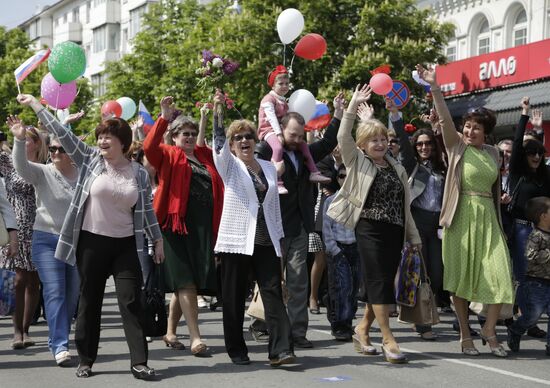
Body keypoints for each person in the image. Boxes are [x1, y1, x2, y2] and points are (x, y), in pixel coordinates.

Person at [17, 93, 164, 380]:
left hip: (125, 246)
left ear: (122, 141)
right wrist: (36, 104)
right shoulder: (89, 159)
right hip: (92, 243)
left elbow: (147, 210)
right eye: (99, 137)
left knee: (131, 301)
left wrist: (156, 240)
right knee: (90, 302)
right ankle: (86, 359)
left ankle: (139, 362)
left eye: (108, 136)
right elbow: (60, 132)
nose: (101, 141)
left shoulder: (139, 173)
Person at [416, 64, 514, 357]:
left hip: (488, 219)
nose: (470, 131)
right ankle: (464, 335)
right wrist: (435, 87)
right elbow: (445, 121)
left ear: (487, 132)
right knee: (460, 280)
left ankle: (488, 329)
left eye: (476, 128)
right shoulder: (456, 146)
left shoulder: (495, 153)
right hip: (460, 219)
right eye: (468, 126)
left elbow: (497, 187)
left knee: (501, 275)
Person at [326, 84, 421, 364]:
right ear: (363, 145)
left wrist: (413, 237)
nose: (380, 144)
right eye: (373, 140)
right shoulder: (357, 161)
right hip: (368, 228)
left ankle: (362, 328)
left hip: (395, 231)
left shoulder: (397, 168)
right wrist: (353, 106)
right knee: (378, 281)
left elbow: (406, 207)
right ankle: (388, 338)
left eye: (383, 139)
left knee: (379, 285)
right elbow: (344, 135)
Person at [211, 94, 295, 366]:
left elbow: (273, 208)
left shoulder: (269, 168)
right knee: (234, 298)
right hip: (236, 241)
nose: (244, 140)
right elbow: (218, 144)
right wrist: (218, 112)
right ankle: (237, 350)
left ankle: (281, 349)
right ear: (233, 145)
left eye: (248, 136)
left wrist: (279, 238)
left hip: (266, 241)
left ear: (255, 141)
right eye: (239, 138)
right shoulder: (230, 166)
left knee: (272, 294)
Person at [256, 94, 342, 348]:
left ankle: (297, 332)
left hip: (298, 227)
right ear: (281, 130)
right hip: (272, 227)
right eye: (291, 135)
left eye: (299, 135)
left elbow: (327, 142)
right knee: (271, 282)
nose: (296, 139)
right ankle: (265, 325)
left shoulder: (306, 155)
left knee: (298, 281)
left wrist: (337, 113)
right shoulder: (265, 150)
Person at [143, 96, 224, 356]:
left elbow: (218, 145)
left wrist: (216, 110)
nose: (189, 137)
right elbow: (149, 146)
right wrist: (164, 117)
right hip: (174, 227)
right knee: (186, 282)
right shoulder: (168, 155)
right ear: (175, 137)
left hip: (202, 229)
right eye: (183, 134)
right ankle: (196, 337)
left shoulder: (205, 156)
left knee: (186, 283)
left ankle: (170, 331)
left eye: (191, 133)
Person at [9, 114, 80, 366]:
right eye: (52, 149)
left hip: (75, 242)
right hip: (46, 239)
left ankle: (62, 333)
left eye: (61, 149)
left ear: (72, 150)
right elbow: (21, 167)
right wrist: (19, 140)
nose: (56, 153)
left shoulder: (84, 175)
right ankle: (59, 344)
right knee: (55, 290)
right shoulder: (42, 172)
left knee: (72, 295)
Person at [388, 99, 446, 341]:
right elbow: (402, 139)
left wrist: (438, 130)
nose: (424, 147)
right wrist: (395, 115)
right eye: (420, 144)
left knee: (438, 273)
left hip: (438, 225)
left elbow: (447, 147)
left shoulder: (442, 167)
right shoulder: (412, 165)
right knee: (419, 272)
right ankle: (422, 323)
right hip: (417, 222)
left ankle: (424, 313)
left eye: (428, 144)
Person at [0, 122, 47, 350]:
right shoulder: (8, 163)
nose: (22, 140)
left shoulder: (45, 166)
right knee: (18, 280)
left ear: (37, 144)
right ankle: (16, 330)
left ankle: (26, 330)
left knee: (33, 281)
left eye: (27, 138)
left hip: (38, 226)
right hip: (14, 227)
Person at [506, 98, 550, 339]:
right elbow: (517, 142)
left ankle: (526, 319)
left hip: (543, 232)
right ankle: (524, 321)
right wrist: (524, 113)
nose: (535, 156)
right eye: (531, 153)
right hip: (521, 230)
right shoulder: (517, 172)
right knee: (525, 278)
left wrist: (540, 132)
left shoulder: (544, 176)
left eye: (539, 153)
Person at [258, 65, 330, 194]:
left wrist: (318, 107)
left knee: (303, 145)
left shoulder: (285, 102)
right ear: (273, 85)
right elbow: (272, 118)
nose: (285, 86)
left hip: (281, 130)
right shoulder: (269, 99)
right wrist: (279, 134)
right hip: (268, 130)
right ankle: (277, 179)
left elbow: (294, 116)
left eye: (287, 84)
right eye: (281, 84)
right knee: (278, 147)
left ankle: (314, 172)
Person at [507, 196, 550, 356]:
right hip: (536, 284)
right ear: (543, 216)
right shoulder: (536, 236)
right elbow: (530, 255)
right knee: (533, 316)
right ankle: (515, 330)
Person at [323, 164, 360, 341]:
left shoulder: (359, 200)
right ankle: (338, 324)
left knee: (353, 288)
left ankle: (348, 321)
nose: (345, 179)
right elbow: (326, 228)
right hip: (338, 247)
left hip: (355, 247)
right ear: (337, 179)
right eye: (341, 176)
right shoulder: (331, 201)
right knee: (341, 287)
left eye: (348, 176)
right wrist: (334, 250)